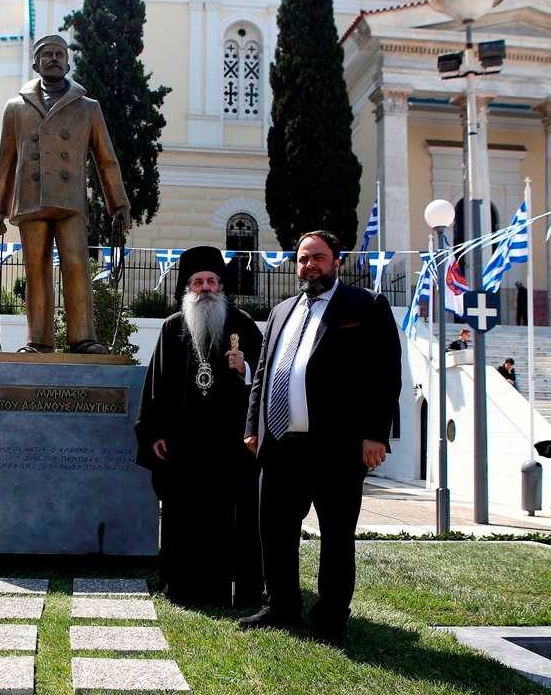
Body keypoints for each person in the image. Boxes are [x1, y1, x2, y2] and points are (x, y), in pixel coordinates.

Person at [240, 230, 401, 646]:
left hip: (338, 447)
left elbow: (384, 376)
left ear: (337, 262)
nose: (308, 265)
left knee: (335, 534)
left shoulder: (365, 306)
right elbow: (263, 372)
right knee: (274, 530)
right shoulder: (281, 311)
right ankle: (281, 607)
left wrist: (375, 434)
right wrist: (252, 427)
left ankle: (331, 617)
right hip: (279, 445)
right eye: (302, 258)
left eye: (318, 258)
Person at [135, 246, 264, 608]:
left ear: (220, 286)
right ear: (187, 288)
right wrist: (154, 432)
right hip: (184, 444)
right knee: (184, 515)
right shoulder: (173, 327)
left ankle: (234, 586)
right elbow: (156, 384)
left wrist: (245, 370)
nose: (205, 287)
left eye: (211, 281)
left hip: (231, 444)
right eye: (198, 282)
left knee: (233, 517)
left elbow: (267, 379)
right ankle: (182, 583)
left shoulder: (242, 324)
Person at [0, 34, 131, 354]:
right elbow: (5, 161)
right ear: (35, 64)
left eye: (59, 54)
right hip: (30, 200)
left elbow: (106, 159)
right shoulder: (15, 108)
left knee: (76, 266)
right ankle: (38, 340)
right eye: (46, 54)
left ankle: (83, 338)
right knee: (35, 270)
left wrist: (118, 203)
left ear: (68, 62)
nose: (53, 58)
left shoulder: (88, 108)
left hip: (70, 201)